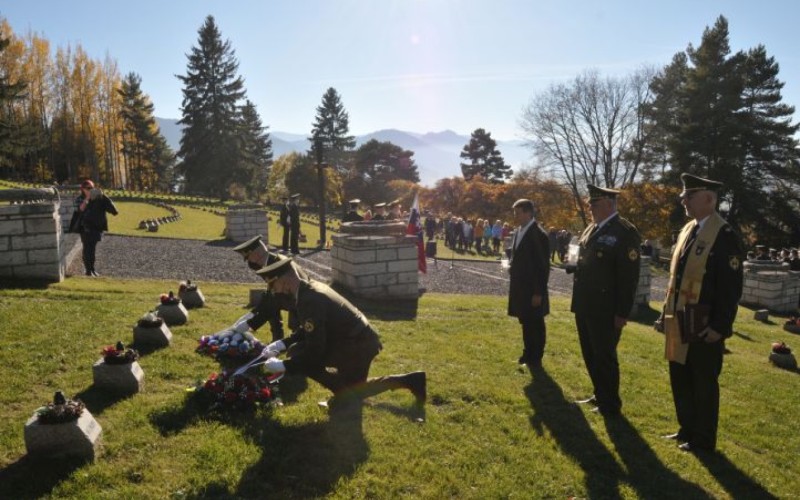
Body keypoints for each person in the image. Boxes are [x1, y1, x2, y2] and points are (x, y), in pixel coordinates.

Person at [256, 257, 426, 412]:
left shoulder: (308, 299)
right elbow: (312, 328)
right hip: (355, 341)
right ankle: (412, 381)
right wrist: (283, 343)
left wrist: (285, 366)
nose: (273, 291)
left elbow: (315, 350)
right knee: (350, 389)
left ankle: (346, 394)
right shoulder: (308, 288)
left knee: (343, 391)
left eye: (273, 285)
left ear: (284, 281)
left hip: (357, 346)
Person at [655, 173, 744, 453]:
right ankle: (687, 428)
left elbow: (730, 288)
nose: (683, 200)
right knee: (679, 375)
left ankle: (703, 439)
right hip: (679, 319)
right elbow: (676, 278)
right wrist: (664, 313)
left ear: (709, 199)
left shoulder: (724, 236)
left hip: (704, 324)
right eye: (684, 195)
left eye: (689, 195)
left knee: (703, 381)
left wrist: (720, 326)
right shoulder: (688, 230)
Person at [570, 184, 641, 417]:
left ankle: (610, 403)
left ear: (610, 205)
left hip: (606, 308)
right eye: (590, 204)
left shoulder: (624, 231)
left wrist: (622, 312)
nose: (590, 208)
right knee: (590, 353)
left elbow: (628, 277)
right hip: (585, 304)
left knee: (605, 356)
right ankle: (599, 394)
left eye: (595, 204)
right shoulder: (592, 229)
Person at [230, 235, 299, 342]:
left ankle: (293, 342)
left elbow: (275, 300)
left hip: (299, 299)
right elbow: (270, 293)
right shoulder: (268, 263)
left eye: (248, 257)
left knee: (292, 323)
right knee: (268, 301)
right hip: (287, 296)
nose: (249, 262)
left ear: (256, 255)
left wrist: (251, 324)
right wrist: (253, 313)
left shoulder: (276, 264)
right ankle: (277, 338)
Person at [507, 199, 551, 369]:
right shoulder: (520, 231)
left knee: (535, 323)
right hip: (521, 287)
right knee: (525, 320)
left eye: (517, 212)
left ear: (528, 212)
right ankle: (528, 352)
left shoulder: (538, 234)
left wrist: (538, 292)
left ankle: (536, 356)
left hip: (533, 289)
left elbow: (542, 266)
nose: (515, 216)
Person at [69, 179, 118, 277]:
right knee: (87, 248)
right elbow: (80, 209)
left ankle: (92, 269)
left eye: (92, 188)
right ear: (83, 189)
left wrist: (103, 196)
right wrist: (87, 198)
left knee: (92, 249)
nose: (91, 190)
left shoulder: (98, 198)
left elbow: (113, 210)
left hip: (96, 227)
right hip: (85, 227)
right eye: (88, 188)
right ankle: (88, 271)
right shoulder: (80, 198)